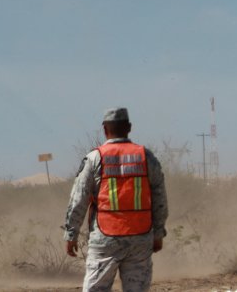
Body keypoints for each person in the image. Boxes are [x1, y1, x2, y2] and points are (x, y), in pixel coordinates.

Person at [64, 107, 168, 292]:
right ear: (129, 127)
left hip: (105, 238)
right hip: (140, 237)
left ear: (105, 129)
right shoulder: (146, 157)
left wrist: (71, 235)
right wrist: (158, 233)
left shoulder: (95, 158)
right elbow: (159, 198)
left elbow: (79, 198)